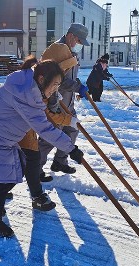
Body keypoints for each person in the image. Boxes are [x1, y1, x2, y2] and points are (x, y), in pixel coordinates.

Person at [0, 57, 85, 238]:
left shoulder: (29, 87)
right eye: (55, 84)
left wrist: (54, 103)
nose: (56, 89)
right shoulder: (25, 95)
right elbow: (45, 128)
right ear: (42, 80)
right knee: (3, 179)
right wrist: (71, 148)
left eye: (59, 85)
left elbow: (46, 115)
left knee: (11, 173)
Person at [38, 23, 90, 182]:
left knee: (72, 129)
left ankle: (60, 162)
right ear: (70, 36)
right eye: (78, 41)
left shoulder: (70, 51)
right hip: (56, 102)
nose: (79, 45)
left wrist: (79, 85)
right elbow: (58, 80)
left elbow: (71, 75)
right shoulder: (58, 50)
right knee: (50, 137)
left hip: (68, 102)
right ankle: (35, 169)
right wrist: (77, 87)